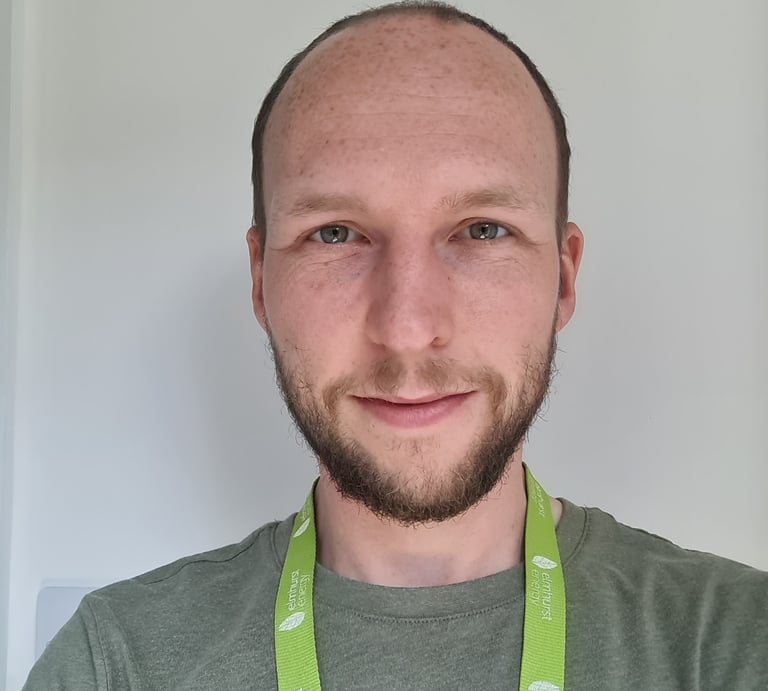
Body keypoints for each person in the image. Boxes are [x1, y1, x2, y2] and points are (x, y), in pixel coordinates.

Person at [23, 2, 768, 689]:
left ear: (565, 279)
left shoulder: (734, 645)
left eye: (483, 230)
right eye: (335, 233)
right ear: (261, 282)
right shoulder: (114, 662)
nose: (407, 327)